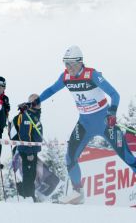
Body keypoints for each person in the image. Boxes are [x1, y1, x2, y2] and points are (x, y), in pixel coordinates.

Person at [32, 45, 136, 204]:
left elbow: (115, 94)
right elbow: (52, 90)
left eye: (71, 64)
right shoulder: (65, 77)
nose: (68, 68)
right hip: (85, 123)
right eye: (65, 63)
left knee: (127, 156)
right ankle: (77, 193)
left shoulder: (92, 74)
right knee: (70, 158)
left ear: (80, 62)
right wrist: (34, 102)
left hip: (104, 122)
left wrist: (112, 113)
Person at [12, 94, 42, 202]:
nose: (38, 104)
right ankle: (28, 196)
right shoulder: (27, 115)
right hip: (27, 150)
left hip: (32, 150)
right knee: (29, 174)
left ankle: (29, 195)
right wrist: (29, 152)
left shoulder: (34, 114)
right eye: (34, 101)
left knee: (32, 174)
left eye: (38, 101)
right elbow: (25, 135)